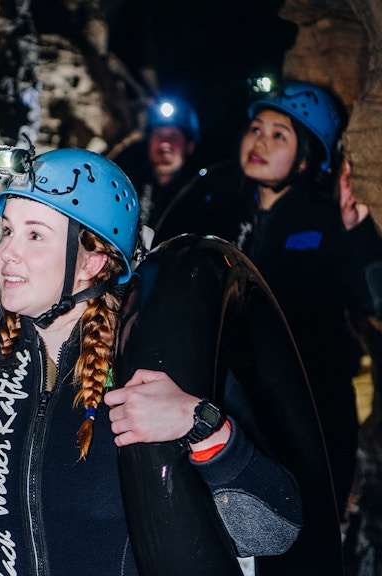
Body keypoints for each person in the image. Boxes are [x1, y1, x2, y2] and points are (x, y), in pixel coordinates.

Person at [0, 145, 306, 575]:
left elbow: (272, 530)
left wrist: (202, 425)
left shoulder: (156, 370)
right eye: (6, 231)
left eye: (34, 235)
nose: (5, 254)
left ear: (93, 262)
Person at [157, 79, 382, 521]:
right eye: (256, 128)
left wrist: (357, 231)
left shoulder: (325, 220)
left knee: (312, 526)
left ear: (307, 158)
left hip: (313, 408)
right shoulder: (219, 208)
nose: (259, 141)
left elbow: (375, 300)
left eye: (280, 135)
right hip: (232, 402)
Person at [113, 97, 202, 237]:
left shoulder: (199, 195)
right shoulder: (125, 179)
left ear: (189, 146)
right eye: (158, 135)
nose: (165, 142)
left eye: (174, 135)